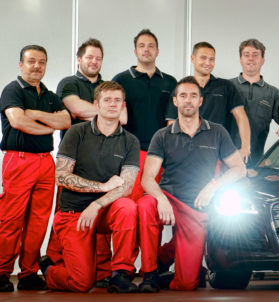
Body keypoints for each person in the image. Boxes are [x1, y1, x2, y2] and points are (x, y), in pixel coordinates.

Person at [136, 77, 246, 291]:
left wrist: (213, 186)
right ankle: (149, 274)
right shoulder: (162, 135)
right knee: (144, 205)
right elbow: (147, 178)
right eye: (183, 96)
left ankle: (165, 262)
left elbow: (239, 169)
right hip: (169, 199)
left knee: (187, 284)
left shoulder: (217, 131)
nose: (188, 100)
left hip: (197, 206)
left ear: (200, 101)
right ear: (175, 101)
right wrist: (160, 198)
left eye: (193, 96)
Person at [41, 81, 140, 293]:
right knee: (81, 283)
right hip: (73, 213)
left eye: (117, 100)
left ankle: (120, 274)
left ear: (123, 105)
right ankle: (49, 269)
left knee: (128, 207)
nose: (112, 104)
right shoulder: (76, 133)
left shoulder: (130, 141)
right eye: (107, 100)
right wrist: (102, 187)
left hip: (104, 211)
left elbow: (127, 187)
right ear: (96, 104)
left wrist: (97, 204)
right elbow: (62, 177)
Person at [0, 45, 71, 292]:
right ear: (21, 64)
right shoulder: (12, 90)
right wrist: (49, 126)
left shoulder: (48, 95)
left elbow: (66, 120)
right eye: (31, 61)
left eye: (42, 62)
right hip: (19, 160)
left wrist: (35, 115)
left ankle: (28, 273)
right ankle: (1, 274)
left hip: (45, 162)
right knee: (11, 221)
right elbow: (17, 121)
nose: (37, 66)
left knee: (38, 222)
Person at [51, 38, 116, 288]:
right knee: (67, 210)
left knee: (100, 209)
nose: (94, 61)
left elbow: (122, 114)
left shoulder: (107, 86)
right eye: (89, 57)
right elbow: (74, 109)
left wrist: (100, 111)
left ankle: (101, 270)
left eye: (98, 58)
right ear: (79, 59)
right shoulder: (69, 83)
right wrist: (107, 112)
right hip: (74, 157)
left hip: (104, 156)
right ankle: (55, 261)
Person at [113, 29, 177, 202]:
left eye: (151, 46)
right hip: (129, 154)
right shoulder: (120, 80)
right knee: (129, 206)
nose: (146, 49)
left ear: (157, 51)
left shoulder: (170, 82)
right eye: (142, 46)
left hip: (159, 156)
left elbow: (173, 122)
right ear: (135, 51)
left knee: (154, 208)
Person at [165, 42, 250, 162]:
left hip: (219, 155)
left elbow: (241, 117)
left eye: (211, 59)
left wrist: (245, 146)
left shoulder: (226, 86)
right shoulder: (181, 88)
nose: (208, 63)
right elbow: (172, 123)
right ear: (192, 59)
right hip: (187, 154)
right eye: (203, 58)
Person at [233, 39, 279, 167]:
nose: (251, 59)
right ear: (240, 59)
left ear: (262, 60)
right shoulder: (226, 88)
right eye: (246, 55)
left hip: (255, 165)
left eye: (255, 55)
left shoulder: (272, 94)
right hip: (224, 163)